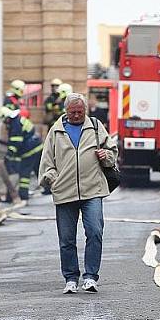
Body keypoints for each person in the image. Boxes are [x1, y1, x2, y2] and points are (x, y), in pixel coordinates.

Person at [39, 93, 118, 294]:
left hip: (93, 190)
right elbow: (47, 162)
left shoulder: (95, 126)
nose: (76, 115)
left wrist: (106, 155)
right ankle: (71, 278)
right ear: (66, 112)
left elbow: (112, 152)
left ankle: (91, 277)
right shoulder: (55, 132)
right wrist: (54, 179)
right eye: (72, 112)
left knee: (95, 232)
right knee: (66, 239)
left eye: (79, 112)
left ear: (85, 111)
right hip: (65, 192)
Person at [0, 106, 43, 203]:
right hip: (36, 147)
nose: (4, 123)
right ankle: (48, 189)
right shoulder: (17, 120)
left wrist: (9, 155)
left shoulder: (15, 124)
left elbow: (16, 142)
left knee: (24, 173)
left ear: (6, 117)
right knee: (39, 170)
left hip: (30, 150)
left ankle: (23, 195)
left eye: (4, 121)